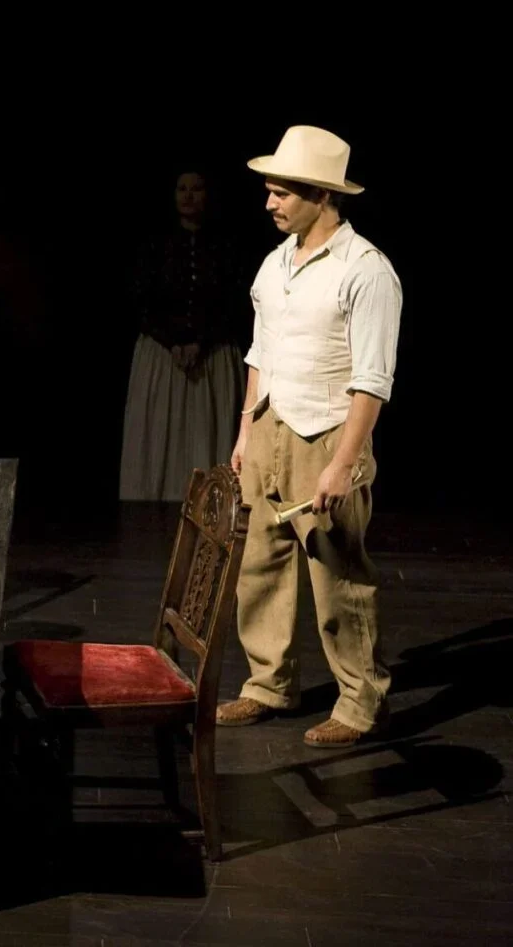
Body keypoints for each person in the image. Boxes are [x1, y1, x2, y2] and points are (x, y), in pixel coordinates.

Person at [217, 126, 402, 747]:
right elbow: (260, 354)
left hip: (326, 434)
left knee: (337, 576)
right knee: (259, 566)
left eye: (281, 192)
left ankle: (361, 701)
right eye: (269, 191)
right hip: (271, 425)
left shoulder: (366, 270)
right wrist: (246, 430)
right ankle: (268, 683)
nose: (269, 202)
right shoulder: (275, 263)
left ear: (322, 195)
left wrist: (342, 464)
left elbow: (372, 380)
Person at [120, 169, 248, 501]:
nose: (189, 196)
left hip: (213, 354)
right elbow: (141, 300)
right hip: (163, 356)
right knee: (160, 432)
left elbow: (234, 301)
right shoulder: (155, 244)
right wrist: (172, 340)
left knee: (207, 434)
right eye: (182, 189)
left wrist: (200, 341)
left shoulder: (225, 245)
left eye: (196, 188)